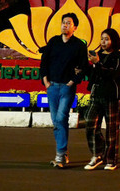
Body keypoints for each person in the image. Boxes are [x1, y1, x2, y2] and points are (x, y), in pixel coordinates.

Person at [39, 13, 89, 168]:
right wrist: (45, 81)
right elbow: (44, 62)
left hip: (67, 88)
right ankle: (63, 154)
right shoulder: (53, 42)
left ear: (75, 27)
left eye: (68, 23)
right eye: (63, 22)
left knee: (61, 118)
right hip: (52, 86)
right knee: (56, 121)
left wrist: (74, 81)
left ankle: (60, 155)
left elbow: (84, 65)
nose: (65, 25)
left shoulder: (79, 45)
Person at [82, 28, 120, 171]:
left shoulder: (118, 57)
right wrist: (84, 68)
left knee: (111, 129)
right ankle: (97, 154)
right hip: (96, 95)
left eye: (107, 39)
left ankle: (111, 159)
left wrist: (97, 63)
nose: (103, 42)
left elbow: (111, 74)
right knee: (90, 123)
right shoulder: (98, 55)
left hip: (112, 96)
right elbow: (94, 74)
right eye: (102, 39)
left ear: (114, 40)